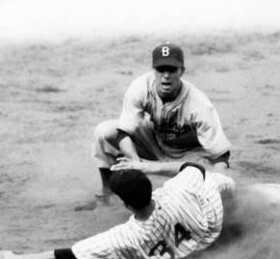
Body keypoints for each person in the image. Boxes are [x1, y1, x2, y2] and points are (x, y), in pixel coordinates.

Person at [0, 164, 234, 259]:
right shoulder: (178, 190)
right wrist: (150, 165)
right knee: (214, 181)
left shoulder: (128, 237)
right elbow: (194, 168)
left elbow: (71, 255)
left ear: (125, 205)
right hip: (211, 232)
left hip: (181, 254)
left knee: (212, 183)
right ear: (150, 186)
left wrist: (19, 258)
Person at [92, 42, 231, 202]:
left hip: (189, 155)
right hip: (154, 142)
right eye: (160, 69)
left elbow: (220, 156)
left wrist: (217, 185)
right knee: (104, 131)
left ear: (182, 71)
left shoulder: (199, 105)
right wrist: (135, 162)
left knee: (202, 185)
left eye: (172, 69)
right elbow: (123, 132)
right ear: (153, 70)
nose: (166, 75)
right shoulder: (141, 87)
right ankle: (108, 192)